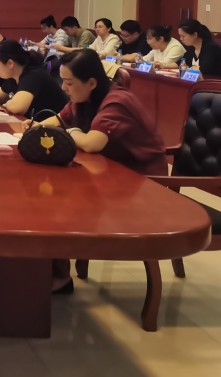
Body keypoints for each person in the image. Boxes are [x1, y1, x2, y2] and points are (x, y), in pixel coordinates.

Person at [24, 49, 167, 294]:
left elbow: (92, 143)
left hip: (141, 182)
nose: (64, 88)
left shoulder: (117, 101)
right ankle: (53, 272)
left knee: (55, 202)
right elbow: (59, 119)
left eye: (69, 83)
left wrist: (71, 132)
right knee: (44, 194)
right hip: (107, 171)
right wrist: (35, 128)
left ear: (91, 82)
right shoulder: (84, 97)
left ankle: (57, 277)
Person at [0, 40, 67, 117]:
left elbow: (17, 108)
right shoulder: (14, 75)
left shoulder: (32, 75)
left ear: (10, 63)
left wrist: (9, 103)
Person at [120, 25, 185, 68]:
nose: (147, 41)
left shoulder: (176, 47)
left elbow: (163, 64)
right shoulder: (157, 47)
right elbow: (144, 59)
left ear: (161, 39)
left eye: (149, 39)